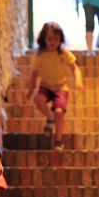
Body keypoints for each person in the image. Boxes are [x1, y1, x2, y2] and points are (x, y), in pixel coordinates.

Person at [27, 22, 82, 150]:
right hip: (45, 86)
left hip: (61, 87)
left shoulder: (63, 53)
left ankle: (58, 140)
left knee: (59, 112)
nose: (53, 42)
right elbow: (33, 74)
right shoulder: (40, 55)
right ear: (43, 39)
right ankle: (50, 118)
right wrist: (30, 91)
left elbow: (75, 69)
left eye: (56, 39)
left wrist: (79, 81)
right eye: (50, 39)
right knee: (38, 99)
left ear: (61, 40)